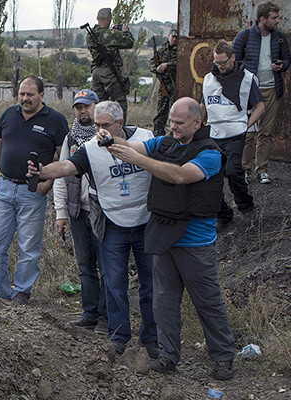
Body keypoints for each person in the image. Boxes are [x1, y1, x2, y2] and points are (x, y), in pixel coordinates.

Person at [102, 97, 236, 381]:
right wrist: (111, 139)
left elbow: (180, 176)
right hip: (163, 235)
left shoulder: (210, 154)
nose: (172, 127)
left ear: (197, 123)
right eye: (171, 121)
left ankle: (223, 358)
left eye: (179, 122)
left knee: (208, 303)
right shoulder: (163, 143)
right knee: (163, 302)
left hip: (196, 243)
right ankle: (168, 356)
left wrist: (138, 160)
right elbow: (132, 146)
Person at [27, 101, 158, 358]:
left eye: (105, 125)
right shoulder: (91, 148)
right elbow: (67, 166)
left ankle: (151, 338)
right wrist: (43, 171)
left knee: (150, 283)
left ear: (120, 123)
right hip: (112, 222)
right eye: (97, 125)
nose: (100, 131)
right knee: (114, 282)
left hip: (145, 220)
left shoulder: (145, 139)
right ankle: (118, 335)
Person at [0, 76, 69, 305]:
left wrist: (47, 185)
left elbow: (64, 158)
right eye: (21, 94)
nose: (25, 98)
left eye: (30, 94)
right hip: (5, 188)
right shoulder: (9, 114)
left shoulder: (55, 121)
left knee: (28, 246)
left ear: (41, 95)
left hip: (32, 192)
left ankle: (21, 291)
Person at [54, 89, 108, 334]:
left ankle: (107, 317)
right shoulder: (70, 138)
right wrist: (60, 213)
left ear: (97, 106)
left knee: (107, 266)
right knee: (85, 265)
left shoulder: (107, 136)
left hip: (103, 212)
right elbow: (60, 175)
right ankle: (90, 313)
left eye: (87, 106)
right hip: (78, 212)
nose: (82, 111)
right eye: (78, 107)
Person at [201, 40, 264, 226]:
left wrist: (246, 125)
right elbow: (204, 105)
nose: (220, 67)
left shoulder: (247, 78)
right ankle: (223, 214)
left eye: (223, 62)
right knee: (210, 176)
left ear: (233, 58)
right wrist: (197, 124)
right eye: (217, 63)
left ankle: (246, 206)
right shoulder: (208, 79)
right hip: (213, 133)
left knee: (233, 171)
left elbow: (260, 106)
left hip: (235, 132)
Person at [233, 1, 290, 184]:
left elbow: (287, 59)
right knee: (248, 133)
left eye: (277, 17)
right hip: (251, 93)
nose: (278, 21)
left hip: (272, 89)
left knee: (266, 133)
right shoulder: (246, 35)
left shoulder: (279, 37)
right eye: (274, 18)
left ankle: (262, 170)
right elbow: (234, 59)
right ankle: (244, 170)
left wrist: (282, 65)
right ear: (263, 19)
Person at [87, 8, 134, 123]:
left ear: (97, 19)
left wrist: (112, 32)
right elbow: (129, 42)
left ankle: (98, 127)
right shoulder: (110, 34)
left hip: (96, 72)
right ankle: (121, 130)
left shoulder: (90, 34)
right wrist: (125, 31)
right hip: (109, 72)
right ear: (109, 18)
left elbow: (105, 40)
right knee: (119, 101)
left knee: (99, 105)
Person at [150, 28, 177, 135]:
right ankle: (158, 134)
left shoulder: (181, 50)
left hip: (175, 85)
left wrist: (167, 65)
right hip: (164, 85)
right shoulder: (162, 50)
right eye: (173, 36)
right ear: (169, 35)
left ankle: (173, 134)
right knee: (161, 111)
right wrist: (156, 69)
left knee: (175, 110)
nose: (174, 39)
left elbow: (182, 63)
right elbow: (152, 63)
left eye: (176, 37)